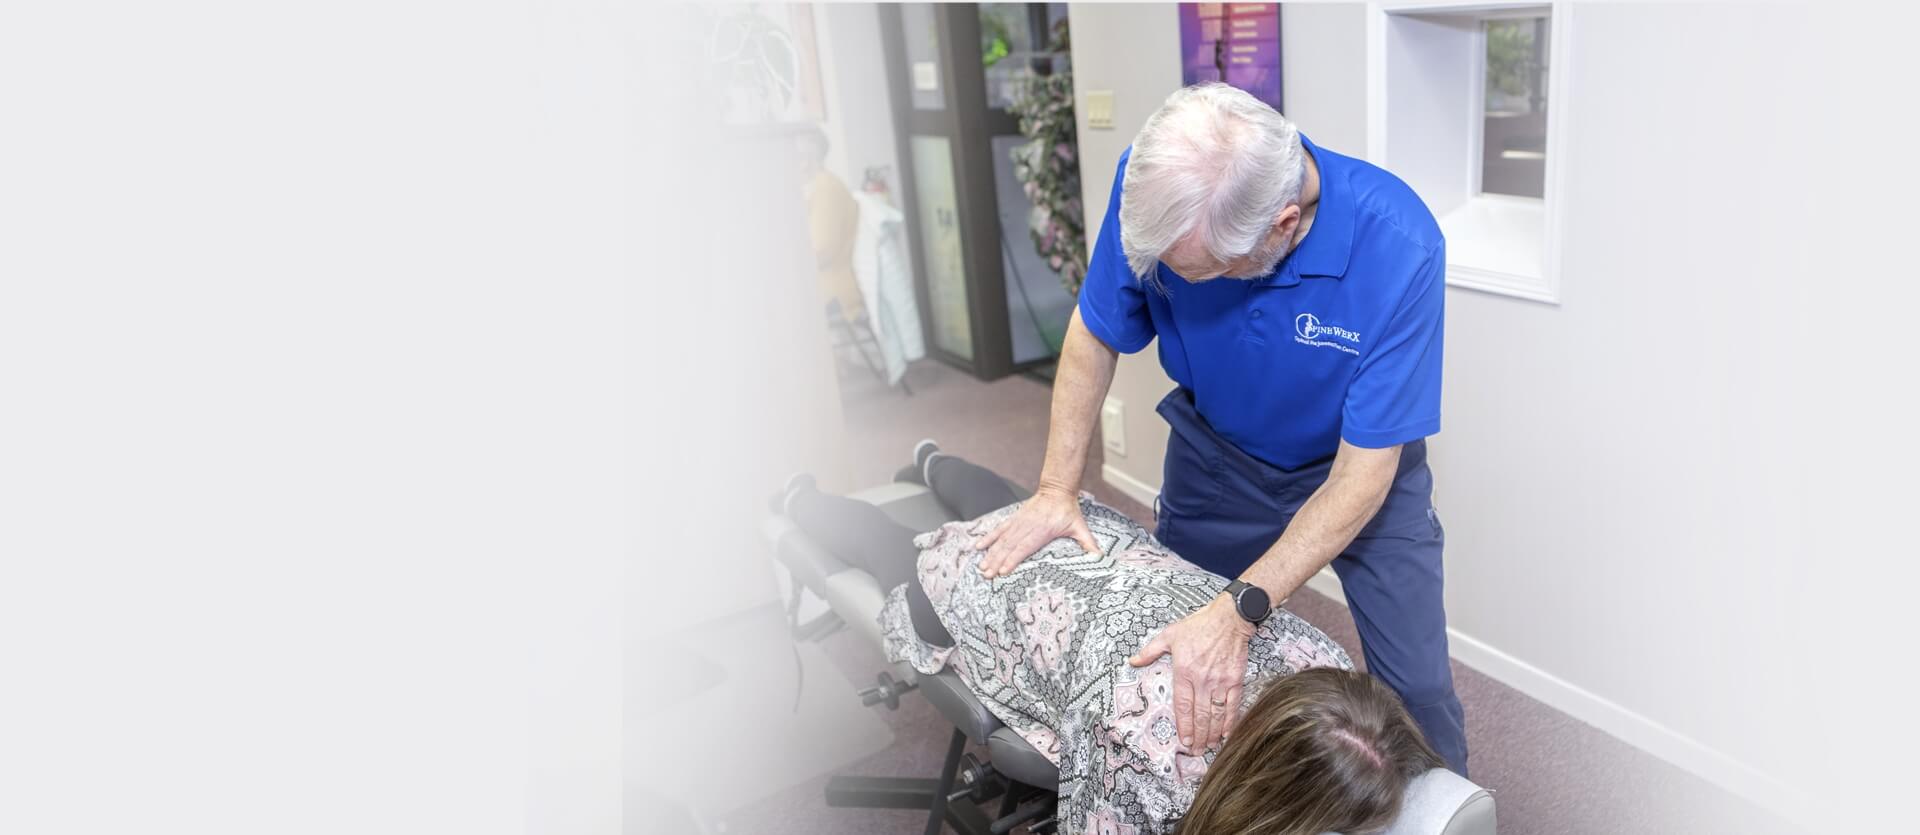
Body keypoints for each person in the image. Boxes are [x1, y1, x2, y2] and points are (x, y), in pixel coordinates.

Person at [974, 82, 1469, 775]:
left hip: (1357, 473)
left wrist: (1243, 606)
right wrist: (1056, 487)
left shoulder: (1400, 247)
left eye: (1199, 272)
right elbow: (1094, 331)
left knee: (1417, 689)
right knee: (1175, 649)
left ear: (1282, 225)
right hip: (1218, 459)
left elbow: (1363, 476)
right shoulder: (1160, 190)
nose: (1176, 281)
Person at [777, 443, 1443, 834]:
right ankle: (798, 502)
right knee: (895, 551)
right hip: (983, 594)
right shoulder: (1144, 746)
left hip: (1096, 545)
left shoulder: (1325, 665)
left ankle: (931, 461)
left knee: (1021, 508)